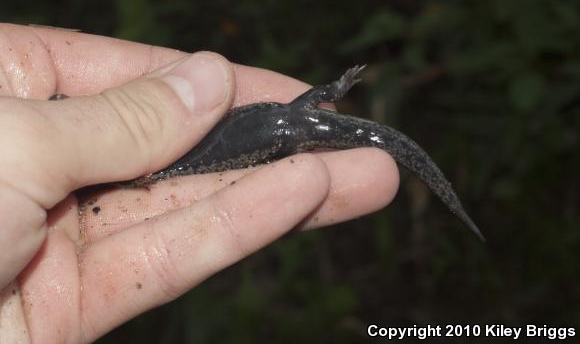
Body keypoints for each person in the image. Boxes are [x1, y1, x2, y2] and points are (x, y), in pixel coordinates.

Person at [0, 24, 398, 342]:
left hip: (284, 132)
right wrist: (337, 89)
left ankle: (343, 105)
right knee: (327, 132)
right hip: (286, 124)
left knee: (337, 144)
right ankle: (341, 96)